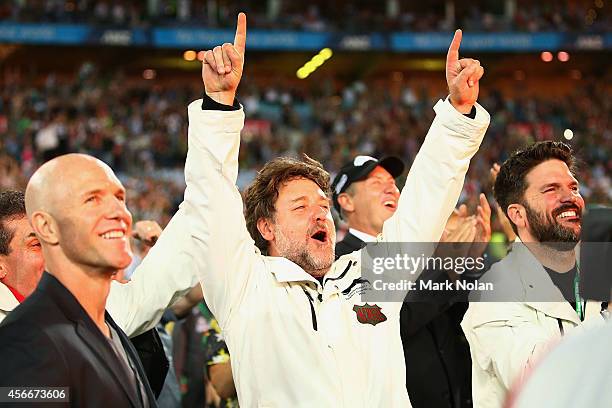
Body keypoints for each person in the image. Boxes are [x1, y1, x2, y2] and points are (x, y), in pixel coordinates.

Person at [191, 13, 489, 406]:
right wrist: (218, 105)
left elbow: (423, 203)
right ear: (266, 226)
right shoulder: (246, 286)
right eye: (300, 206)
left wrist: (457, 113)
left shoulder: (369, 276)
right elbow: (209, 197)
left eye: (323, 205)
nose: (320, 214)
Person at [332, 159, 491, 408]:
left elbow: (464, 321)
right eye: (377, 183)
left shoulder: (423, 250)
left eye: (393, 184)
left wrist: (468, 262)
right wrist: (444, 267)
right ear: (347, 201)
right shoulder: (337, 262)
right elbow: (389, 321)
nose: (391, 189)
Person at [0, 154, 157, 407]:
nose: (119, 212)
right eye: (92, 199)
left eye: (119, 197)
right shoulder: (26, 340)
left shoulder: (106, 324)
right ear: (47, 227)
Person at [461, 141, 608, 408]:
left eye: (573, 187)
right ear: (517, 214)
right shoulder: (494, 290)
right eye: (551, 189)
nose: (570, 197)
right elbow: (544, 385)